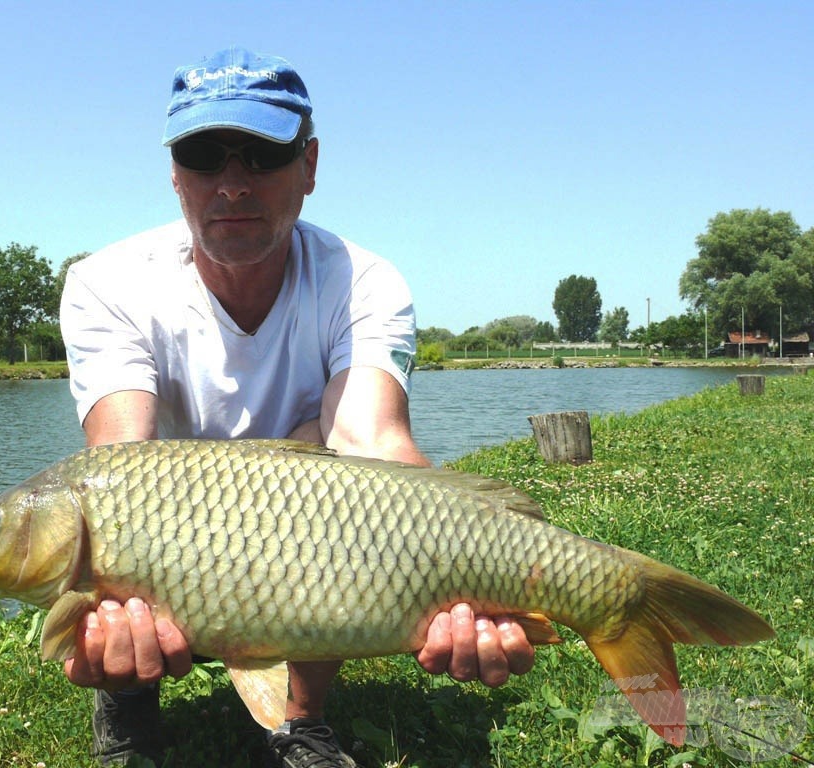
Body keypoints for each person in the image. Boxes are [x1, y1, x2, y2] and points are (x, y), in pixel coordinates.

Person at [60, 45, 535, 768]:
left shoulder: (364, 280)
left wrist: (483, 565)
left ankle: (300, 721)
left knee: (322, 523)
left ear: (309, 166)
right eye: (204, 156)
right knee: (117, 554)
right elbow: (120, 458)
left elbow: (372, 440)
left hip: (305, 515)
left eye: (261, 155)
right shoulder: (106, 282)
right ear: (174, 175)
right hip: (167, 529)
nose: (232, 184)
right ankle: (127, 697)